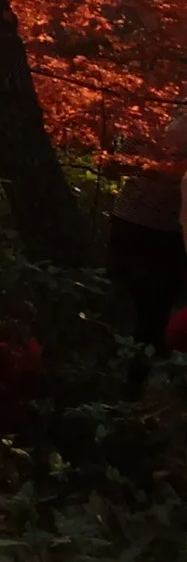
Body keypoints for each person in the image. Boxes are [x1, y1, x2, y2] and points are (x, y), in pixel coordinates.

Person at [107, 130, 187, 392]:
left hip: (133, 222)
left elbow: (116, 165)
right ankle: (134, 388)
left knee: (145, 313)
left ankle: (130, 385)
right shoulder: (155, 112)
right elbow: (117, 165)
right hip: (155, 229)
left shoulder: (147, 109)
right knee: (151, 315)